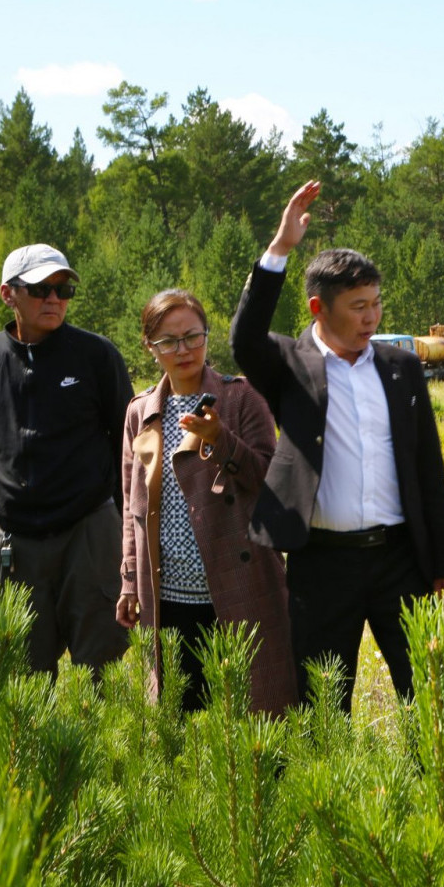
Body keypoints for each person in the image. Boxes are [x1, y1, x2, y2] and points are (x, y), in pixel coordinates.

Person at [229, 181, 444, 713]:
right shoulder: (289, 367)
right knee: (321, 709)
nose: (371, 318)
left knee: (429, 702)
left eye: (376, 304)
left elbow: (429, 468)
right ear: (318, 308)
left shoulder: (400, 368)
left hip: (401, 561)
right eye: (358, 307)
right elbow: (245, 338)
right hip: (321, 565)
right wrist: (280, 249)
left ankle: (437, 795)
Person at [117, 290, 298, 715]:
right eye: (169, 341)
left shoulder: (240, 399)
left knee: (254, 717)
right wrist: (128, 580)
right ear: (149, 346)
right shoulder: (140, 411)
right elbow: (132, 509)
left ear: (207, 336)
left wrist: (220, 440)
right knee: (179, 722)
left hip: (240, 590)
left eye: (193, 337)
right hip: (167, 599)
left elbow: (271, 482)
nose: (183, 350)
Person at [0, 243, 132, 679]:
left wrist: (122, 526)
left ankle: (105, 749)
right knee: (23, 672)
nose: (55, 299)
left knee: (102, 668)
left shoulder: (96, 356)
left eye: (63, 290)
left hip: (89, 531)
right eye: (41, 289)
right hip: (17, 540)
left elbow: (127, 442)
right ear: (8, 294)